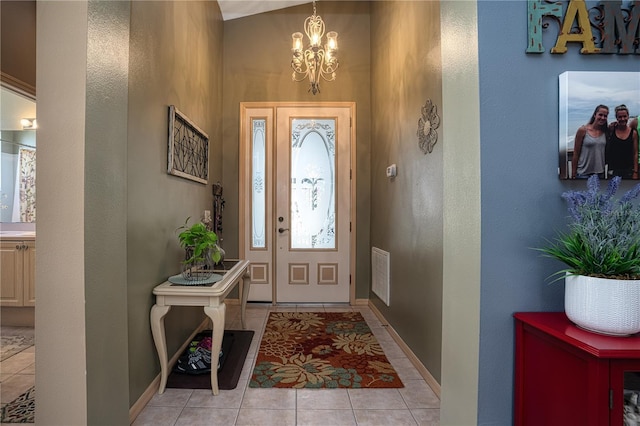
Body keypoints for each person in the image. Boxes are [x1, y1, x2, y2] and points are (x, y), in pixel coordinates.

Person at [571, 105, 609, 179]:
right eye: (600, 115)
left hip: (600, 173)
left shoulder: (606, 132)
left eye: (605, 116)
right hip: (583, 173)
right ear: (595, 115)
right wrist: (573, 174)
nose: (602, 118)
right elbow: (576, 153)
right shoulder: (583, 130)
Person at [606, 105, 638, 179]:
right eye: (620, 117)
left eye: (625, 116)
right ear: (616, 118)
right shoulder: (611, 130)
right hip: (613, 169)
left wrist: (635, 172)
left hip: (628, 170)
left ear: (628, 117)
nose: (622, 119)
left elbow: (635, 153)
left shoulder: (633, 133)